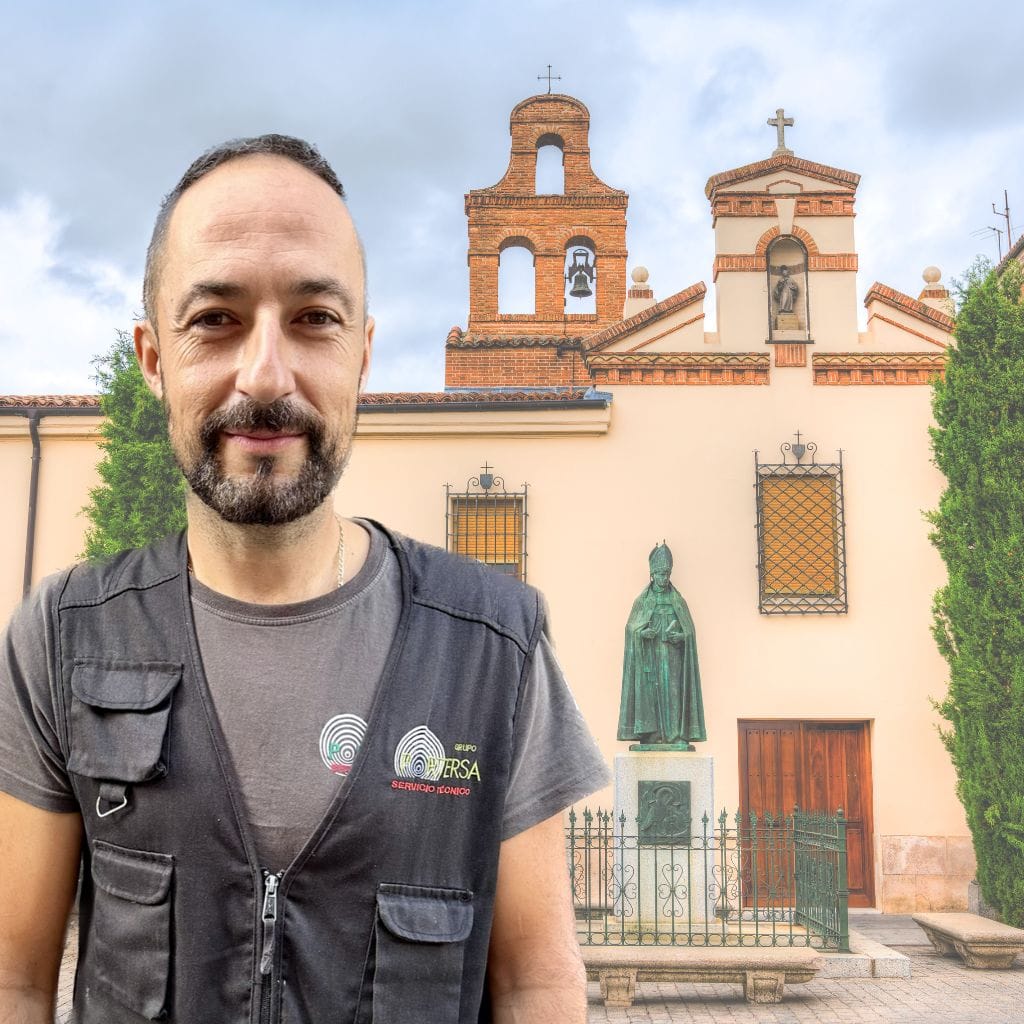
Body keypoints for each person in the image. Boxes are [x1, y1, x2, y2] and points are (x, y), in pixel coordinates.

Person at [0, 135, 609, 1023]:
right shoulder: (62, 637)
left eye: (314, 319)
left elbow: (536, 984)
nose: (265, 375)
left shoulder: (495, 648)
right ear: (153, 356)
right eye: (216, 319)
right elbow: (14, 977)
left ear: (361, 353)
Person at [616, 542, 707, 748]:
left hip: (673, 657)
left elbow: (689, 631)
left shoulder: (678, 600)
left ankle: (675, 735)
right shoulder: (642, 601)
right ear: (652, 574)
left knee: (673, 693)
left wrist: (682, 637)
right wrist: (642, 633)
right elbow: (631, 628)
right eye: (659, 574)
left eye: (666, 574)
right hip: (650, 658)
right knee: (651, 695)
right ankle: (652, 735)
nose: (663, 578)